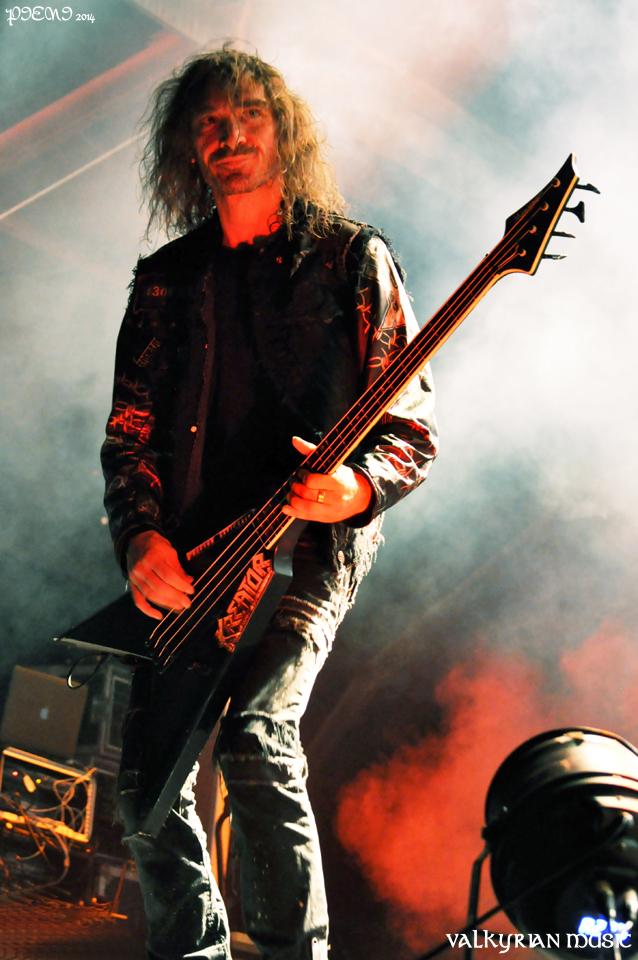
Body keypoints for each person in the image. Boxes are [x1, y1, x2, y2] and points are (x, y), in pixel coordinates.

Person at [101, 47, 438, 960]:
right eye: (209, 122)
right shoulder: (166, 281)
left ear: (283, 130)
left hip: (308, 551)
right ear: (188, 147)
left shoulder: (352, 259)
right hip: (196, 557)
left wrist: (356, 488)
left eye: (248, 114)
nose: (230, 133)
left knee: (254, 739)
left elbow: (412, 429)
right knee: (143, 788)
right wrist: (139, 539)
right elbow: (130, 434)